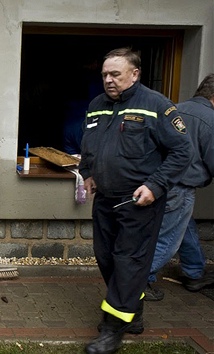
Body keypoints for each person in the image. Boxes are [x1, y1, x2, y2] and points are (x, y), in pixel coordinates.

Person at [78, 48, 192, 354]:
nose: (109, 80)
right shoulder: (96, 105)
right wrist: (87, 172)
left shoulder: (156, 105)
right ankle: (134, 312)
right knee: (106, 257)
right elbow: (88, 145)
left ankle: (112, 328)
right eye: (105, 74)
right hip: (105, 199)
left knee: (128, 262)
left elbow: (183, 151)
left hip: (139, 202)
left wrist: (155, 185)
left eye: (115, 74)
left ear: (135, 74)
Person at [145, 73, 214, 301]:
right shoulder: (210, 119)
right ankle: (139, 282)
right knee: (167, 239)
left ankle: (194, 273)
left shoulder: (174, 109)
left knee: (184, 228)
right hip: (180, 187)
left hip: (159, 182)